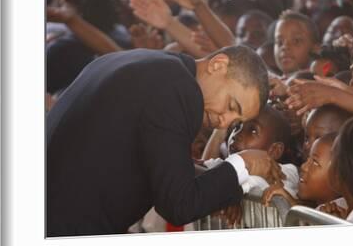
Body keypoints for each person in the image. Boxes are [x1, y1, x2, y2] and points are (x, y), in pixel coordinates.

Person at [46, 45, 275, 236]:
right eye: (231, 106)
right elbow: (178, 204)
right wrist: (244, 164)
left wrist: (229, 182)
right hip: (63, 232)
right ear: (218, 65)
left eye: (236, 121)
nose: (224, 122)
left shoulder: (146, 64)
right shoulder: (178, 89)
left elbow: (150, 165)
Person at [274, 10, 320, 77]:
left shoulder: (319, 84)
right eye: (279, 42)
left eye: (296, 41)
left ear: (315, 48)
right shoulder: (271, 84)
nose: (285, 47)